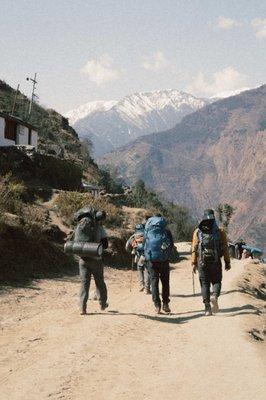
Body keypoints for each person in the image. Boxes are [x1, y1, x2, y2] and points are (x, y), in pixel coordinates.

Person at [191, 209, 231, 316]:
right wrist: (227, 262)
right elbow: (225, 248)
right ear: (213, 217)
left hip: (202, 262)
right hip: (215, 261)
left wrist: (193, 263)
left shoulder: (197, 231)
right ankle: (215, 296)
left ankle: (207, 308)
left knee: (204, 284)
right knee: (217, 281)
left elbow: (194, 248)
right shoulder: (220, 231)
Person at [77, 210, 109, 315]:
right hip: (96, 260)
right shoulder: (99, 228)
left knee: (84, 284)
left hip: (83, 259)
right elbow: (105, 245)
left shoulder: (81, 226)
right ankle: (103, 303)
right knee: (99, 282)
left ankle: (82, 308)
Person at [144, 215, 174, 314]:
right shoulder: (166, 232)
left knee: (154, 282)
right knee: (165, 282)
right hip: (164, 260)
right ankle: (166, 303)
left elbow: (144, 245)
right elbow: (171, 246)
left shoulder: (148, 230)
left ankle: (157, 305)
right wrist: (167, 255)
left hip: (152, 260)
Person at [125, 224, 151, 294]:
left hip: (139, 256)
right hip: (147, 255)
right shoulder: (147, 234)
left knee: (140, 269)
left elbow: (127, 246)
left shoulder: (134, 236)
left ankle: (141, 285)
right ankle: (147, 288)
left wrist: (131, 251)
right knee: (147, 271)